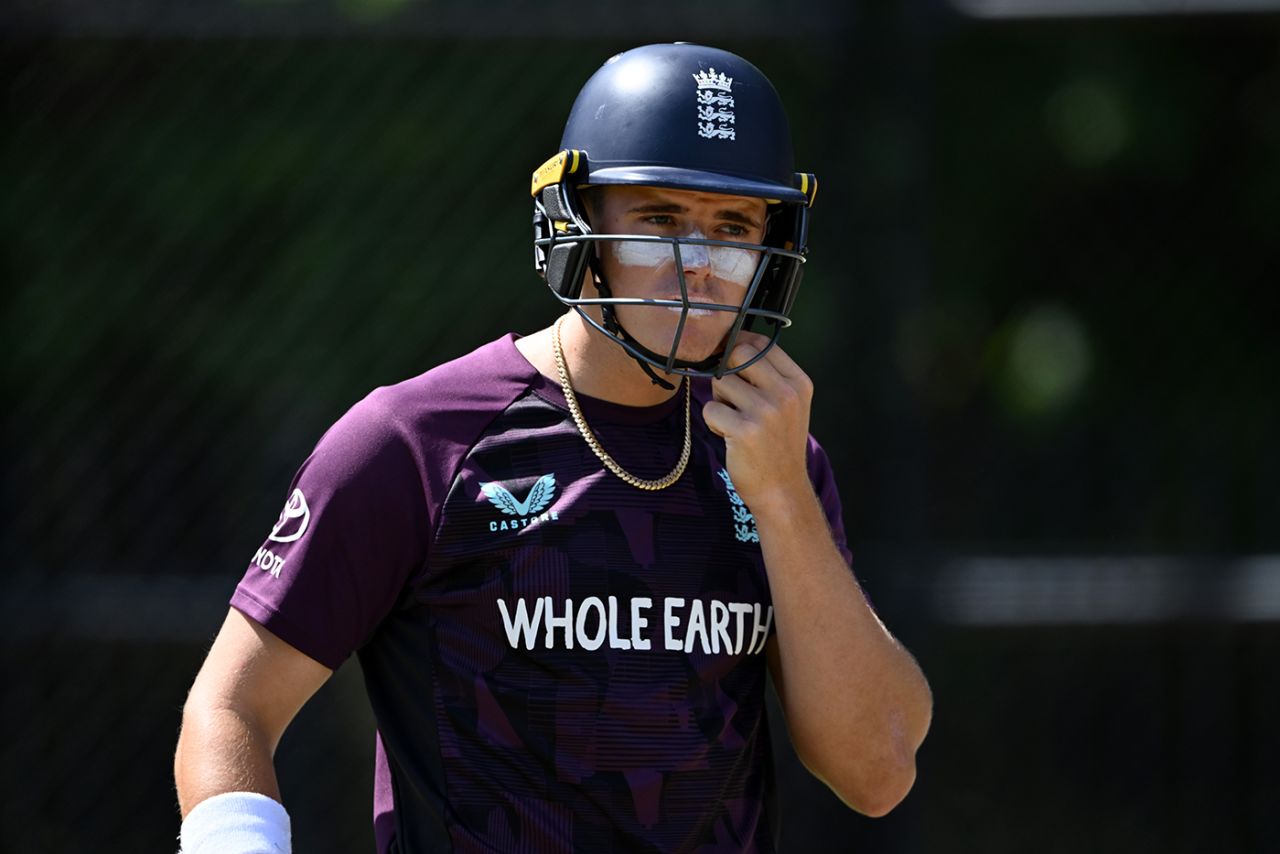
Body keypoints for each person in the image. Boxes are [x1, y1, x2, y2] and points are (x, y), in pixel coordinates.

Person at [173, 42, 932, 854]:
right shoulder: (414, 441)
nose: (699, 265)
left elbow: (877, 771)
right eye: (659, 219)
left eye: (734, 227)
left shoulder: (774, 457)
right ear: (577, 227)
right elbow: (230, 708)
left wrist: (783, 499)